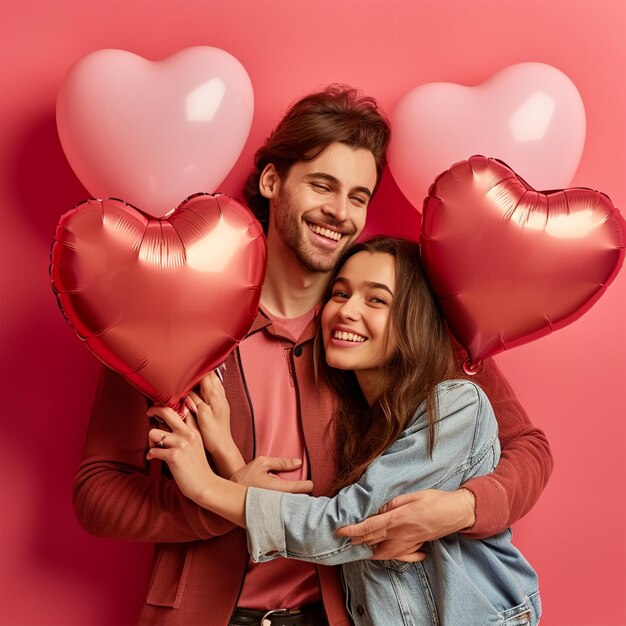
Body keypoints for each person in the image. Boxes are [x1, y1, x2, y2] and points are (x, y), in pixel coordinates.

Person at [73, 85, 552, 626]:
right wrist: (215, 502)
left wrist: (461, 510)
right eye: (322, 185)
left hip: (351, 614)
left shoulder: (391, 322)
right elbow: (97, 490)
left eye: (358, 195)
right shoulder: (172, 317)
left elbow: (527, 448)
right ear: (272, 181)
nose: (340, 212)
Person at [146, 236, 541, 625]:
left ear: (414, 320)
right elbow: (322, 528)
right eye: (339, 293)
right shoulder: (358, 419)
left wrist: (203, 485)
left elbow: (342, 526)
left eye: (376, 299)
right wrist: (227, 452)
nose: (347, 311)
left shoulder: (455, 404)